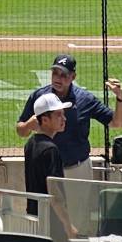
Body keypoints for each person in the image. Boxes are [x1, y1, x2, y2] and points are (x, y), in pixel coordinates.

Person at [14, 54, 122, 181]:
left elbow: (117, 123)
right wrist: (28, 125)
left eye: (64, 75)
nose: (58, 78)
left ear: (73, 77)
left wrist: (120, 98)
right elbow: (20, 131)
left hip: (78, 169)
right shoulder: (39, 97)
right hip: (47, 168)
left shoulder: (85, 99)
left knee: (80, 196)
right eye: (55, 73)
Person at [21, 91, 69, 226]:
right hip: (51, 220)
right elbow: (55, 193)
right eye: (58, 115)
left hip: (34, 216)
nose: (64, 119)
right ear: (45, 120)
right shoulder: (51, 150)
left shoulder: (30, 143)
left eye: (63, 114)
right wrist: (68, 225)